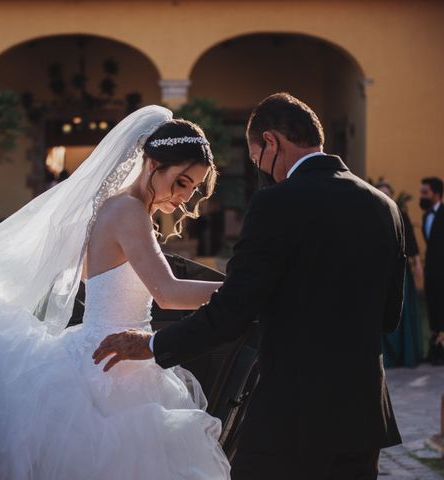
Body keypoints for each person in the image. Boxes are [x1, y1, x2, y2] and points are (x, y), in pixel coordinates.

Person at [94, 93, 404, 480]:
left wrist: (153, 344)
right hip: (363, 415)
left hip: (292, 414)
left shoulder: (276, 203)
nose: (264, 171)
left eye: (257, 158)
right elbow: (389, 316)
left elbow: (235, 310)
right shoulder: (384, 207)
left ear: (270, 142)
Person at [0, 106, 231, 479]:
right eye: (181, 182)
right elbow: (167, 292)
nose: (184, 197)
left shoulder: (115, 207)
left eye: (193, 188)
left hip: (110, 357)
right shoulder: (129, 211)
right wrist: (242, 290)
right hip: (110, 368)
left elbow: (103, 281)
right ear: (152, 164)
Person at [376, 180, 423, 367]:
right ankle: (384, 357)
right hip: (378, 272)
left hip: (399, 272)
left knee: (400, 311)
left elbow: (410, 241)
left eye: (387, 193)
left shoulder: (400, 214)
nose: (384, 196)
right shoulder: (371, 213)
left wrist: (417, 264)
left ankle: (406, 355)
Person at [420, 176, 444, 365]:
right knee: (433, 309)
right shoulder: (426, 215)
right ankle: (435, 346)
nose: (422, 195)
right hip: (431, 273)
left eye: (425, 192)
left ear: (436, 194)